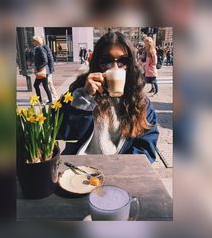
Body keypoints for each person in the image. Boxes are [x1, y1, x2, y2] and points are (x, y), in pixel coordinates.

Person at [59, 31, 159, 163]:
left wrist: (122, 167)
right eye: (106, 61)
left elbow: (147, 145)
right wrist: (85, 97)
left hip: (120, 168)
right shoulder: (79, 90)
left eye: (123, 61)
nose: (114, 68)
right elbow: (66, 134)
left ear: (131, 64)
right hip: (80, 167)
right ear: (96, 62)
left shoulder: (140, 101)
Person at [32, 36, 52, 104]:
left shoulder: (40, 49)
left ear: (37, 41)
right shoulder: (37, 48)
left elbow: (45, 61)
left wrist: (38, 68)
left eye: (33, 41)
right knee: (42, 85)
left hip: (43, 71)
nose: (33, 42)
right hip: (42, 70)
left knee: (40, 85)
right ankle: (46, 100)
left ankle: (43, 100)